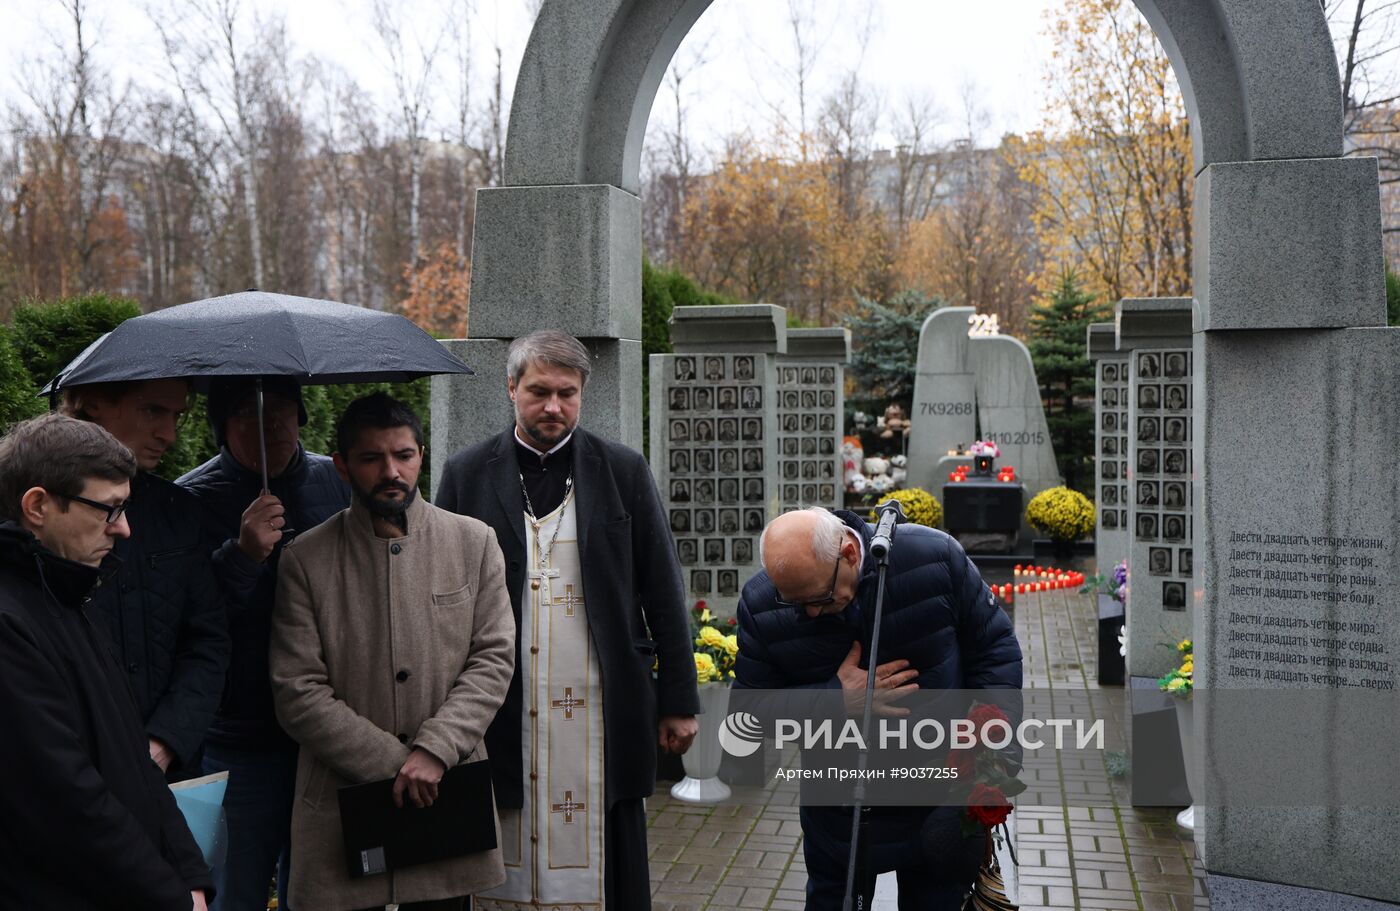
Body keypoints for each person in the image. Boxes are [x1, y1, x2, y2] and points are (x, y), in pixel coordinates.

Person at [434, 330, 700, 910]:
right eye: (538, 392)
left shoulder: (622, 470)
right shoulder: (467, 474)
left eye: (567, 393)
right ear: (511, 389)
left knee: (608, 835)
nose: (553, 406)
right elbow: (439, 591)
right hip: (500, 699)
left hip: (601, 700)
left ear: (582, 394)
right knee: (499, 823)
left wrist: (679, 699)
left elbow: (661, 585)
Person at [269, 394, 515, 910]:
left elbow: (493, 658)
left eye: (403, 455)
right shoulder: (305, 559)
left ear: (421, 455)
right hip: (342, 804)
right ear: (341, 465)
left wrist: (435, 749)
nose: (391, 471)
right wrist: (396, 764)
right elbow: (297, 690)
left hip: (445, 793)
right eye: (371, 458)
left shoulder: (474, 542)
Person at [735, 508, 1022, 909]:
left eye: (818, 598)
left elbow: (996, 652)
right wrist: (836, 700)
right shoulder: (762, 603)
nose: (810, 613)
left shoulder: (935, 558)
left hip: (937, 802)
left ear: (850, 553)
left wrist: (988, 761)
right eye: (794, 602)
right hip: (839, 815)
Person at [0, 414, 214, 910]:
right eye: (109, 509)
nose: (125, 529)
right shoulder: (11, 624)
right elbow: (67, 799)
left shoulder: (69, 596)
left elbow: (136, 769)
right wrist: (171, 896)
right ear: (38, 505)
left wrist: (189, 873)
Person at [178, 376, 351, 911]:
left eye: (282, 410)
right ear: (221, 427)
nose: (271, 424)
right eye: (250, 414)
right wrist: (243, 555)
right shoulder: (189, 500)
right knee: (235, 886)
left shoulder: (338, 481)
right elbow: (188, 624)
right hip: (239, 734)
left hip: (325, 728)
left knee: (319, 887)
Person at [62, 379, 229, 779]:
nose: (169, 435)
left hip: (171, 775)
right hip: (71, 776)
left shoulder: (179, 510)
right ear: (94, 401)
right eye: (153, 410)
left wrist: (167, 740)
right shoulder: (35, 519)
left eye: (177, 416)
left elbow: (207, 639)